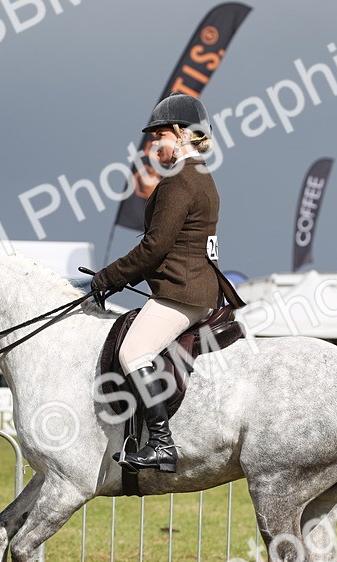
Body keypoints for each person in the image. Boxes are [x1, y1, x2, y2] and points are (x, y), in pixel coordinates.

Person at [88, 93, 241, 473]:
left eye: (159, 137)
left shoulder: (181, 181)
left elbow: (155, 247)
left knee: (133, 353)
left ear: (181, 133)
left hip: (181, 290)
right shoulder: (201, 174)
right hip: (192, 286)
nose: (154, 146)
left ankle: (160, 444)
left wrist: (109, 277)